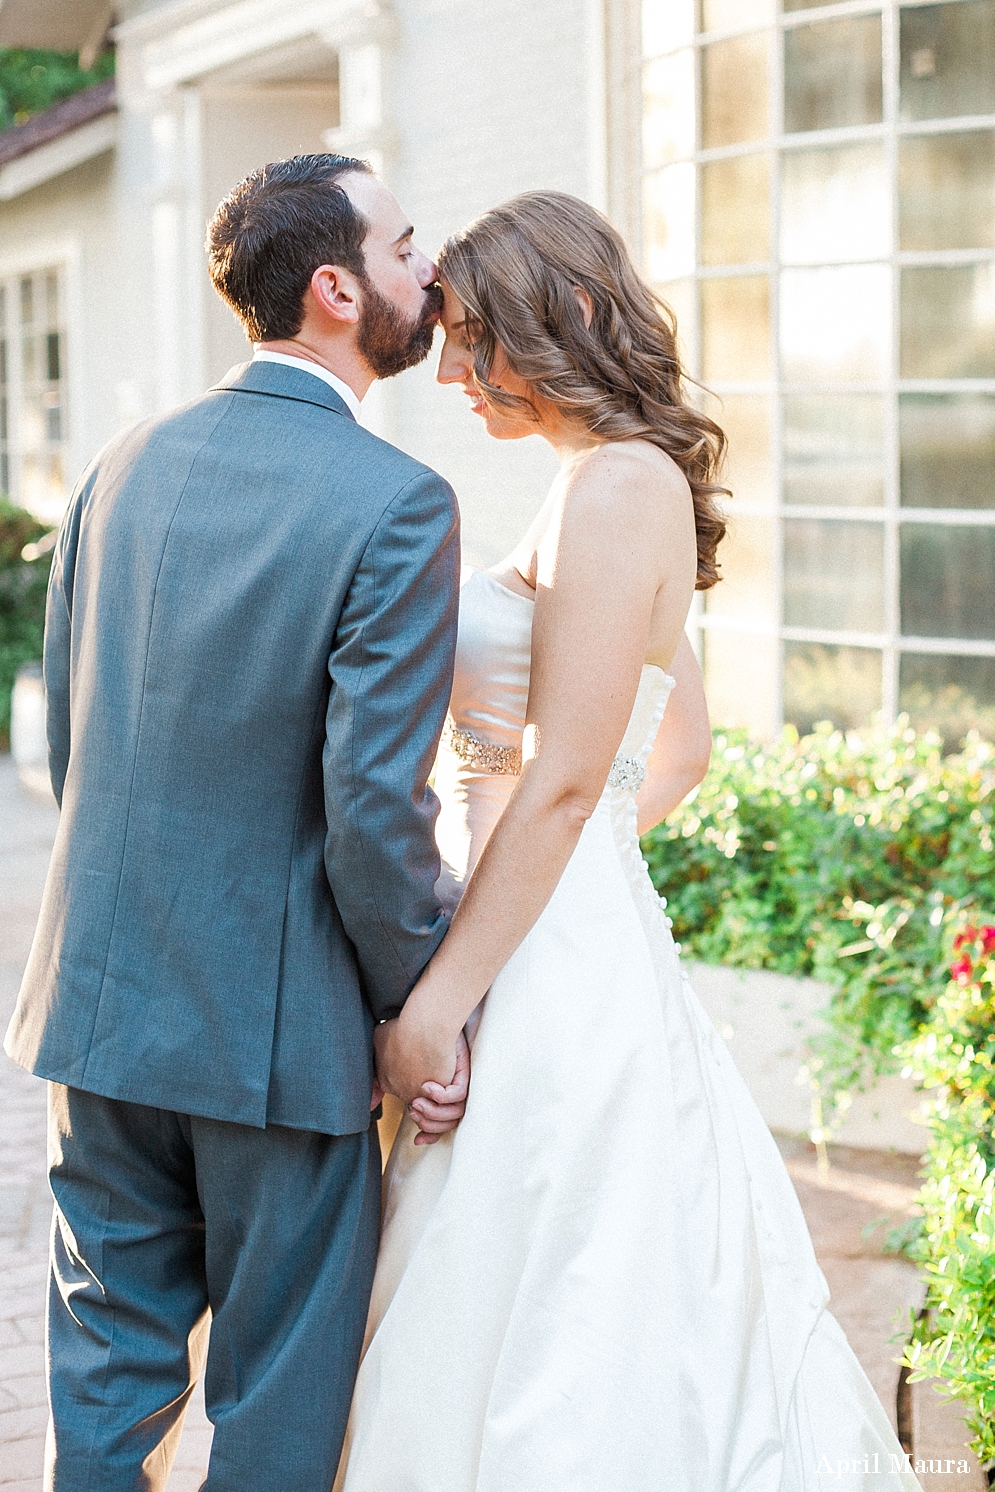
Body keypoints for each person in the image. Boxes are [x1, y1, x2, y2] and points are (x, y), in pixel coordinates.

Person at [335, 191, 924, 1491]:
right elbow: (678, 751)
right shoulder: (595, 484)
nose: (448, 371)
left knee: (572, 1298)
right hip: (549, 917)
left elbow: (569, 785)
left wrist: (443, 996)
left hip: (549, 950)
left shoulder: (618, 490)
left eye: (470, 337)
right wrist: (554, 839)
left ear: (568, 315)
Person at [4, 154, 470, 1491]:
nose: (426, 270)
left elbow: (67, 743)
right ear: (336, 288)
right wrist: (416, 1010)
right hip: (278, 1044)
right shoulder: (395, 504)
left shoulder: (119, 463)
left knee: (99, 1392)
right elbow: (373, 812)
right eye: (405, 245)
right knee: (275, 1406)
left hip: (96, 1016)